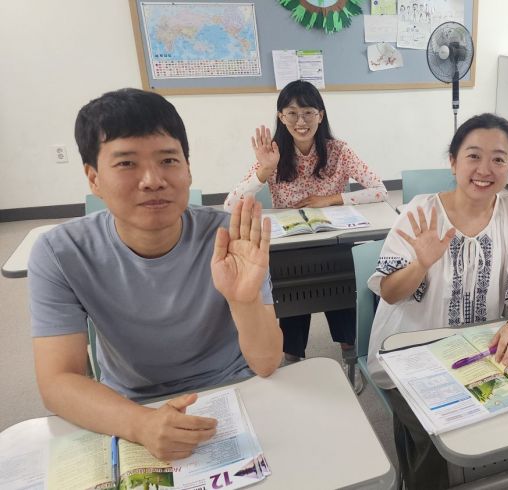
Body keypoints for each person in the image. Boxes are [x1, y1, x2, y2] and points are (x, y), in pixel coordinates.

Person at [29, 88, 283, 460]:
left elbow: (265, 363)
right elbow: (57, 382)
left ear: (188, 169)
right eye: (126, 163)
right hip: (131, 403)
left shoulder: (232, 237)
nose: (152, 180)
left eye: (168, 160)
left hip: (237, 389)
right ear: (93, 178)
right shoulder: (60, 252)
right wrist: (141, 424)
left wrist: (243, 301)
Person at [367, 113, 508, 489]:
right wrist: (421, 262)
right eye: (473, 156)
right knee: (444, 444)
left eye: (499, 159)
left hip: (484, 352)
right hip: (412, 354)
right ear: (453, 161)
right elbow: (390, 292)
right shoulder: (420, 212)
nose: (485, 169)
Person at [224, 80, 387, 366]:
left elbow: (379, 190)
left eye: (308, 112)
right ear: (281, 117)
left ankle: (350, 356)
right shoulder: (273, 154)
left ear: (320, 115)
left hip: (335, 242)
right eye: (292, 113)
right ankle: (293, 359)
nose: (301, 121)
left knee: (343, 297)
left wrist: (331, 199)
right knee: (291, 307)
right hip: (290, 247)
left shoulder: (338, 150)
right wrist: (263, 171)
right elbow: (230, 205)